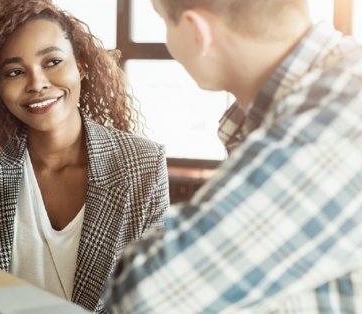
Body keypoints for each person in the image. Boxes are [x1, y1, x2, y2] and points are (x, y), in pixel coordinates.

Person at [0, 0, 169, 312]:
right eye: (15, 72)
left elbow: (155, 294)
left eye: (52, 62)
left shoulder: (142, 164)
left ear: (80, 65)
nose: (37, 84)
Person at [105, 0, 362, 313]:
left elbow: (146, 295)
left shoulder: (336, 124)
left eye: (163, 21)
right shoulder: (329, 89)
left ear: (196, 30)